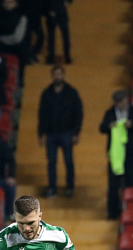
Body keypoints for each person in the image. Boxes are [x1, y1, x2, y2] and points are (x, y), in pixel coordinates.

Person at [99, 90, 133, 220]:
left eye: (121, 101)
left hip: (131, 154)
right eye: (117, 102)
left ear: (126, 100)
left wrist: (132, 125)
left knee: (132, 183)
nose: (119, 104)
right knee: (113, 185)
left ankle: (132, 212)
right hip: (115, 155)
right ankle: (112, 213)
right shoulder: (110, 113)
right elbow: (102, 128)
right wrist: (109, 126)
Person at [38, 64, 83, 198]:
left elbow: (78, 113)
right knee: (51, 162)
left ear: (63, 75)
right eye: (55, 74)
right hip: (51, 133)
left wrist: (76, 132)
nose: (57, 76)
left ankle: (70, 187)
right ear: (52, 76)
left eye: (59, 74)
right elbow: (42, 115)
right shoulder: (46, 93)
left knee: (68, 161)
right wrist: (41, 134)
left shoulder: (72, 92)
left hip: (67, 132)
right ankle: (52, 188)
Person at [45, 0, 72, 64]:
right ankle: (66, 56)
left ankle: (51, 57)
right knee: (64, 36)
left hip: (53, 12)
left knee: (52, 37)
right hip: (60, 11)